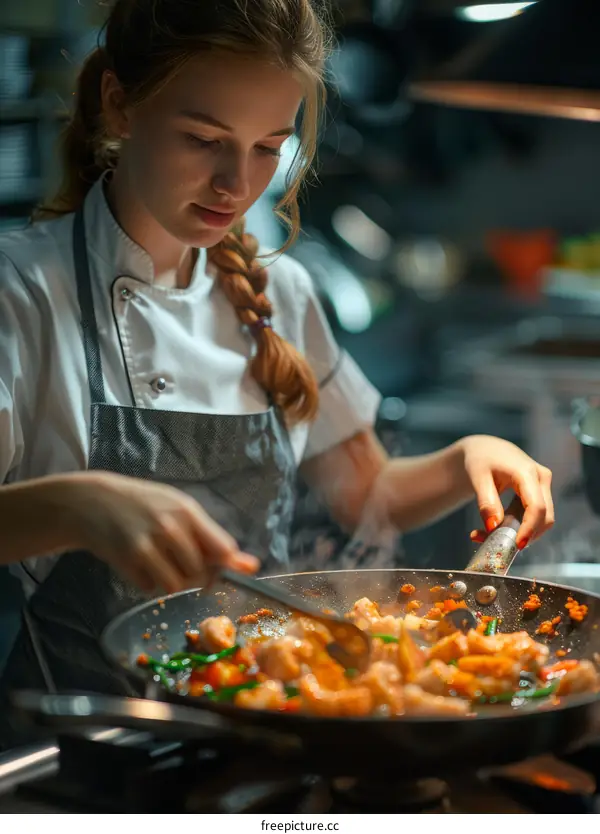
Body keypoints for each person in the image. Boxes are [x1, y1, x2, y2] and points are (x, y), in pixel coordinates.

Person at [0, 0, 554, 733]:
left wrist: (465, 460)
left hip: (265, 730)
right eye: (203, 139)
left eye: (268, 147)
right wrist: (77, 506)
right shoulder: (23, 292)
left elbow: (366, 496)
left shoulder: (280, 294)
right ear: (119, 103)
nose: (237, 184)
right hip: (84, 753)